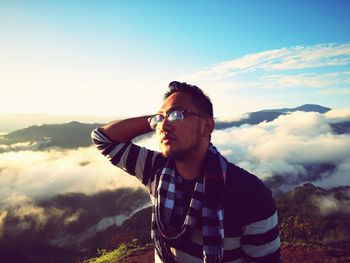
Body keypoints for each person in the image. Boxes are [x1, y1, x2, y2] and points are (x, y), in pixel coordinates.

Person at [91, 81, 282, 263]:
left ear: (207, 126)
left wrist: (164, 115)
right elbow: (104, 139)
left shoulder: (250, 192)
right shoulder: (156, 170)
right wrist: (159, 117)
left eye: (177, 115)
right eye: (159, 120)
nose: (163, 127)